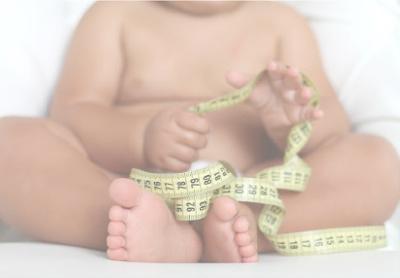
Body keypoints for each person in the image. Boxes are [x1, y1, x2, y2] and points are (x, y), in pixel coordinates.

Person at [0, 1, 399, 263]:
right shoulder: (115, 14)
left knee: (376, 158)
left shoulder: (280, 22)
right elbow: (72, 114)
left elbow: (331, 128)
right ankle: (128, 223)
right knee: (10, 144)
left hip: (254, 190)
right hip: (124, 187)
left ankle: (243, 228)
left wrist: (292, 126)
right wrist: (139, 135)